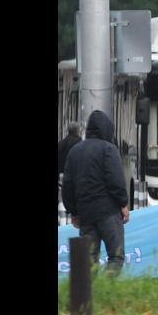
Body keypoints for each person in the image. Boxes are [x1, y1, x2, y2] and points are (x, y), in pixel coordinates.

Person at [61, 110, 130, 275]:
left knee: (88, 260)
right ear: (107, 129)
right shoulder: (108, 149)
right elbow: (116, 181)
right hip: (108, 213)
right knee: (116, 257)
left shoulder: (75, 151)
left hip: (86, 214)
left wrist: (74, 211)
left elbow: (68, 185)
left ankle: (89, 296)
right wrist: (123, 203)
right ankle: (105, 290)